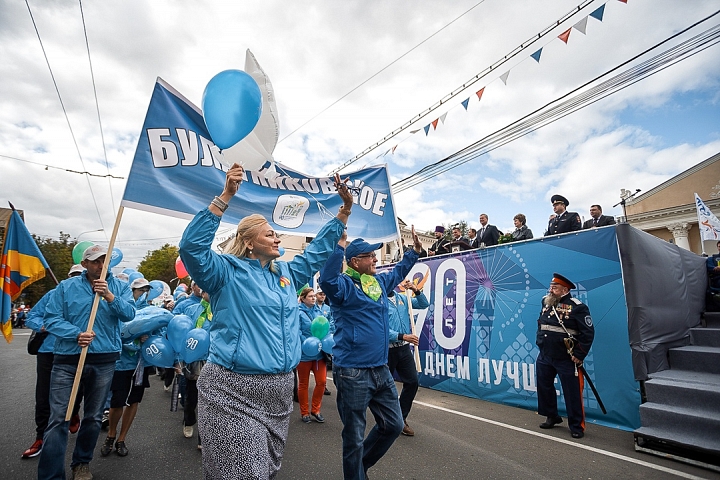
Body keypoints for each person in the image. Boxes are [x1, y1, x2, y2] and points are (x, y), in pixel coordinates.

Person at [179, 163, 352, 479]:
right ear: (248, 242)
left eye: (276, 233)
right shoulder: (225, 272)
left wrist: (343, 215)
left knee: (265, 472)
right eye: (269, 234)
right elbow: (191, 249)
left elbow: (315, 254)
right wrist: (225, 196)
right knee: (245, 474)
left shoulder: (286, 273)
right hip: (232, 391)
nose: (277, 239)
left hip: (278, 393)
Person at [319, 228, 423, 479]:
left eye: (375, 255)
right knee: (354, 436)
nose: (376, 259)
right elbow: (327, 280)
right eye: (370, 256)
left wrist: (414, 253)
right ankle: (355, 474)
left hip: (380, 368)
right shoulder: (343, 285)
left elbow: (398, 271)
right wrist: (339, 246)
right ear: (355, 261)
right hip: (353, 371)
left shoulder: (377, 283)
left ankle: (358, 467)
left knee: (394, 425)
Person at [38, 245, 136, 480]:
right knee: (58, 418)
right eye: (95, 261)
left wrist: (110, 297)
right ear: (84, 265)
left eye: (105, 260)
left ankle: (81, 463)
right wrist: (75, 334)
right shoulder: (65, 287)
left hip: (104, 360)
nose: (101, 266)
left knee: (92, 417)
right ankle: (51, 475)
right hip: (67, 359)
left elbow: (130, 314)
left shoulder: (120, 286)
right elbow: (51, 319)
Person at [22, 265, 85, 459]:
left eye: (79, 276)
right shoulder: (53, 294)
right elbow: (32, 317)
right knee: (43, 396)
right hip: (49, 352)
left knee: (77, 390)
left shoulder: (91, 297)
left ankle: (74, 412)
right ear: (66, 277)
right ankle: (41, 437)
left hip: (76, 351)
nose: (75, 280)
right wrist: (44, 326)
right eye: (72, 276)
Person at [535, 273, 594, 439]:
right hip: (546, 354)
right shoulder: (545, 302)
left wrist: (579, 354)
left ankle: (576, 425)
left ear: (565, 290)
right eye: (551, 287)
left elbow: (587, 333)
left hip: (566, 357)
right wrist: (540, 343)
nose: (551, 290)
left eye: (554, 288)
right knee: (544, 387)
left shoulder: (577, 307)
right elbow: (542, 325)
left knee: (572, 392)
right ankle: (551, 416)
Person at [99, 277, 153, 458]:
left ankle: (122, 438)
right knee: (117, 401)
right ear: (132, 290)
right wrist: (135, 340)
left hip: (141, 364)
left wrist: (149, 339)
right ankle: (111, 435)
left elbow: (159, 334)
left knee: (134, 401)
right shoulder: (123, 306)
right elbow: (117, 332)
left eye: (147, 289)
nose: (143, 292)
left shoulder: (150, 310)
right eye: (140, 289)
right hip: (121, 363)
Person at [387, 280, 428, 437]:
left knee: (412, 382)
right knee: (383, 387)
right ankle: (385, 418)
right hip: (387, 350)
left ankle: (401, 418)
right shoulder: (379, 303)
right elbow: (382, 328)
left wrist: (415, 290)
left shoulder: (402, 298)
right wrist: (403, 335)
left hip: (403, 349)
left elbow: (424, 304)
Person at [183, 290, 213, 450]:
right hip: (194, 360)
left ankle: (203, 437)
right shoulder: (191, 309)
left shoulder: (220, 310)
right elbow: (182, 333)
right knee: (192, 397)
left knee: (207, 401)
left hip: (213, 359)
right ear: (202, 293)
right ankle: (188, 421)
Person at [297, 287, 328, 424]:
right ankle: (304, 412)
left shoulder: (319, 311)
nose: (313, 298)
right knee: (303, 384)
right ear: (303, 298)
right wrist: (308, 343)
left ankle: (316, 409)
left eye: (313, 296)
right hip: (305, 354)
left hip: (319, 354)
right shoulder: (298, 313)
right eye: (310, 296)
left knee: (321, 382)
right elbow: (296, 331)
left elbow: (326, 327)